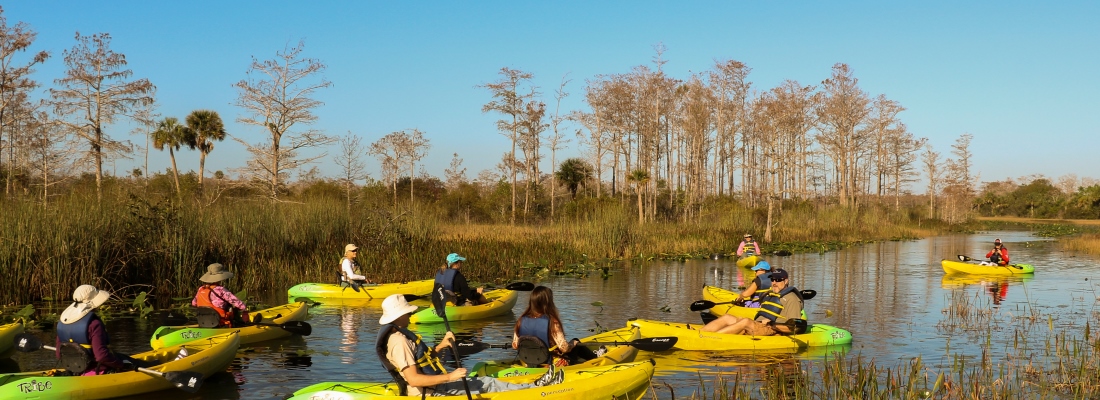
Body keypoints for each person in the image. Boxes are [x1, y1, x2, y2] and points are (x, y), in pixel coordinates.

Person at [376, 294, 563, 396]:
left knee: (487, 381)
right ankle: (540, 391)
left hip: (433, 386)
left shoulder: (401, 335)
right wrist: (451, 376)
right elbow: (414, 380)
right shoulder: (399, 341)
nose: (410, 315)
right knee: (488, 383)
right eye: (407, 313)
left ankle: (532, 387)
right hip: (429, 393)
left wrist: (441, 345)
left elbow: (423, 359)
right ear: (398, 316)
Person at [512, 286, 600, 366]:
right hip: (553, 364)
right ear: (548, 303)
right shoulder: (553, 322)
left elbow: (515, 345)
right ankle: (597, 360)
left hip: (529, 362)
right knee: (576, 343)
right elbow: (564, 348)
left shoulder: (521, 320)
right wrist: (574, 343)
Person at [701, 268, 804, 336]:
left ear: (786, 281)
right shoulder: (771, 294)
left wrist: (772, 325)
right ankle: (701, 333)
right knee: (728, 317)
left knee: (745, 322)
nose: (774, 283)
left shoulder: (792, 299)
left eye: (778, 280)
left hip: (772, 330)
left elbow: (794, 328)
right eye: (772, 280)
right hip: (759, 325)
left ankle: (712, 338)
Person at [56, 285, 129, 375]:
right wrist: (120, 365)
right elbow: (101, 356)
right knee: (128, 361)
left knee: (123, 357)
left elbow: (59, 354)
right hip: (96, 370)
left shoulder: (63, 322)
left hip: (74, 370)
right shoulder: (94, 324)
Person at [192, 263, 249, 328]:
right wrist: (244, 308)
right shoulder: (220, 290)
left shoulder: (201, 289)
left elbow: (194, 303)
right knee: (234, 309)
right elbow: (235, 301)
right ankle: (243, 323)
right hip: (220, 322)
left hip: (204, 321)